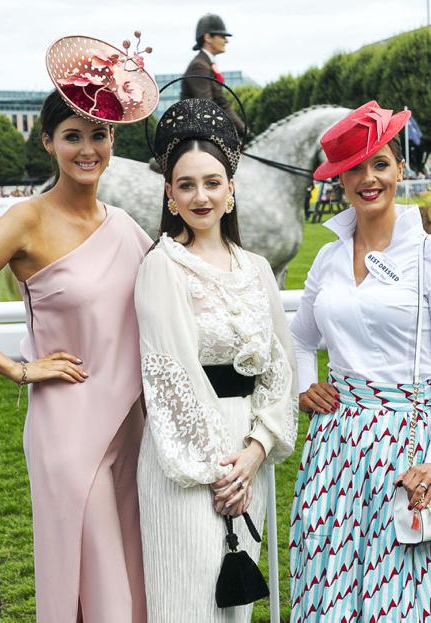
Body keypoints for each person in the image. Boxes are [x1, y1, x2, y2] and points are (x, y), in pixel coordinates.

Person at [0, 34, 160, 622]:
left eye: (97, 135)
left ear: (112, 140)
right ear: (48, 142)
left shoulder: (126, 225)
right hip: (69, 429)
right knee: (99, 580)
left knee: (131, 574)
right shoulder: (25, 219)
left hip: (133, 429)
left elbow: (173, 301)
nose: (87, 148)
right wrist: (18, 368)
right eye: (72, 136)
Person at [288, 101, 431, 622]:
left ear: (400, 168)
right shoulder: (329, 258)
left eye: (379, 163)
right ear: (340, 179)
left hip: (411, 449)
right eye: (354, 168)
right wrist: (304, 383)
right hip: (336, 452)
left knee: (417, 595)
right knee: (336, 584)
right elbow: (299, 337)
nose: (368, 178)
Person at [135, 97, 298, 622]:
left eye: (212, 182)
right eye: (186, 184)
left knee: (232, 610)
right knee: (187, 601)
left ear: (231, 189)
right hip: (185, 462)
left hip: (247, 451)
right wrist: (218, 471)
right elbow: (170, 377)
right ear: (169, 194)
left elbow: (279, 369)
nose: (200, 195)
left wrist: (255, 452)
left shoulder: (256, 268)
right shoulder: (161, 267)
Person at [181, 13, 247, 135]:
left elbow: (221, 102)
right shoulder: (199, 66)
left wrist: (244, 130)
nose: (226, 41)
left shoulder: (207, 63)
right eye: (222, 36)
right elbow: (208, 106)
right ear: (208, 38)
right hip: (196, 130)